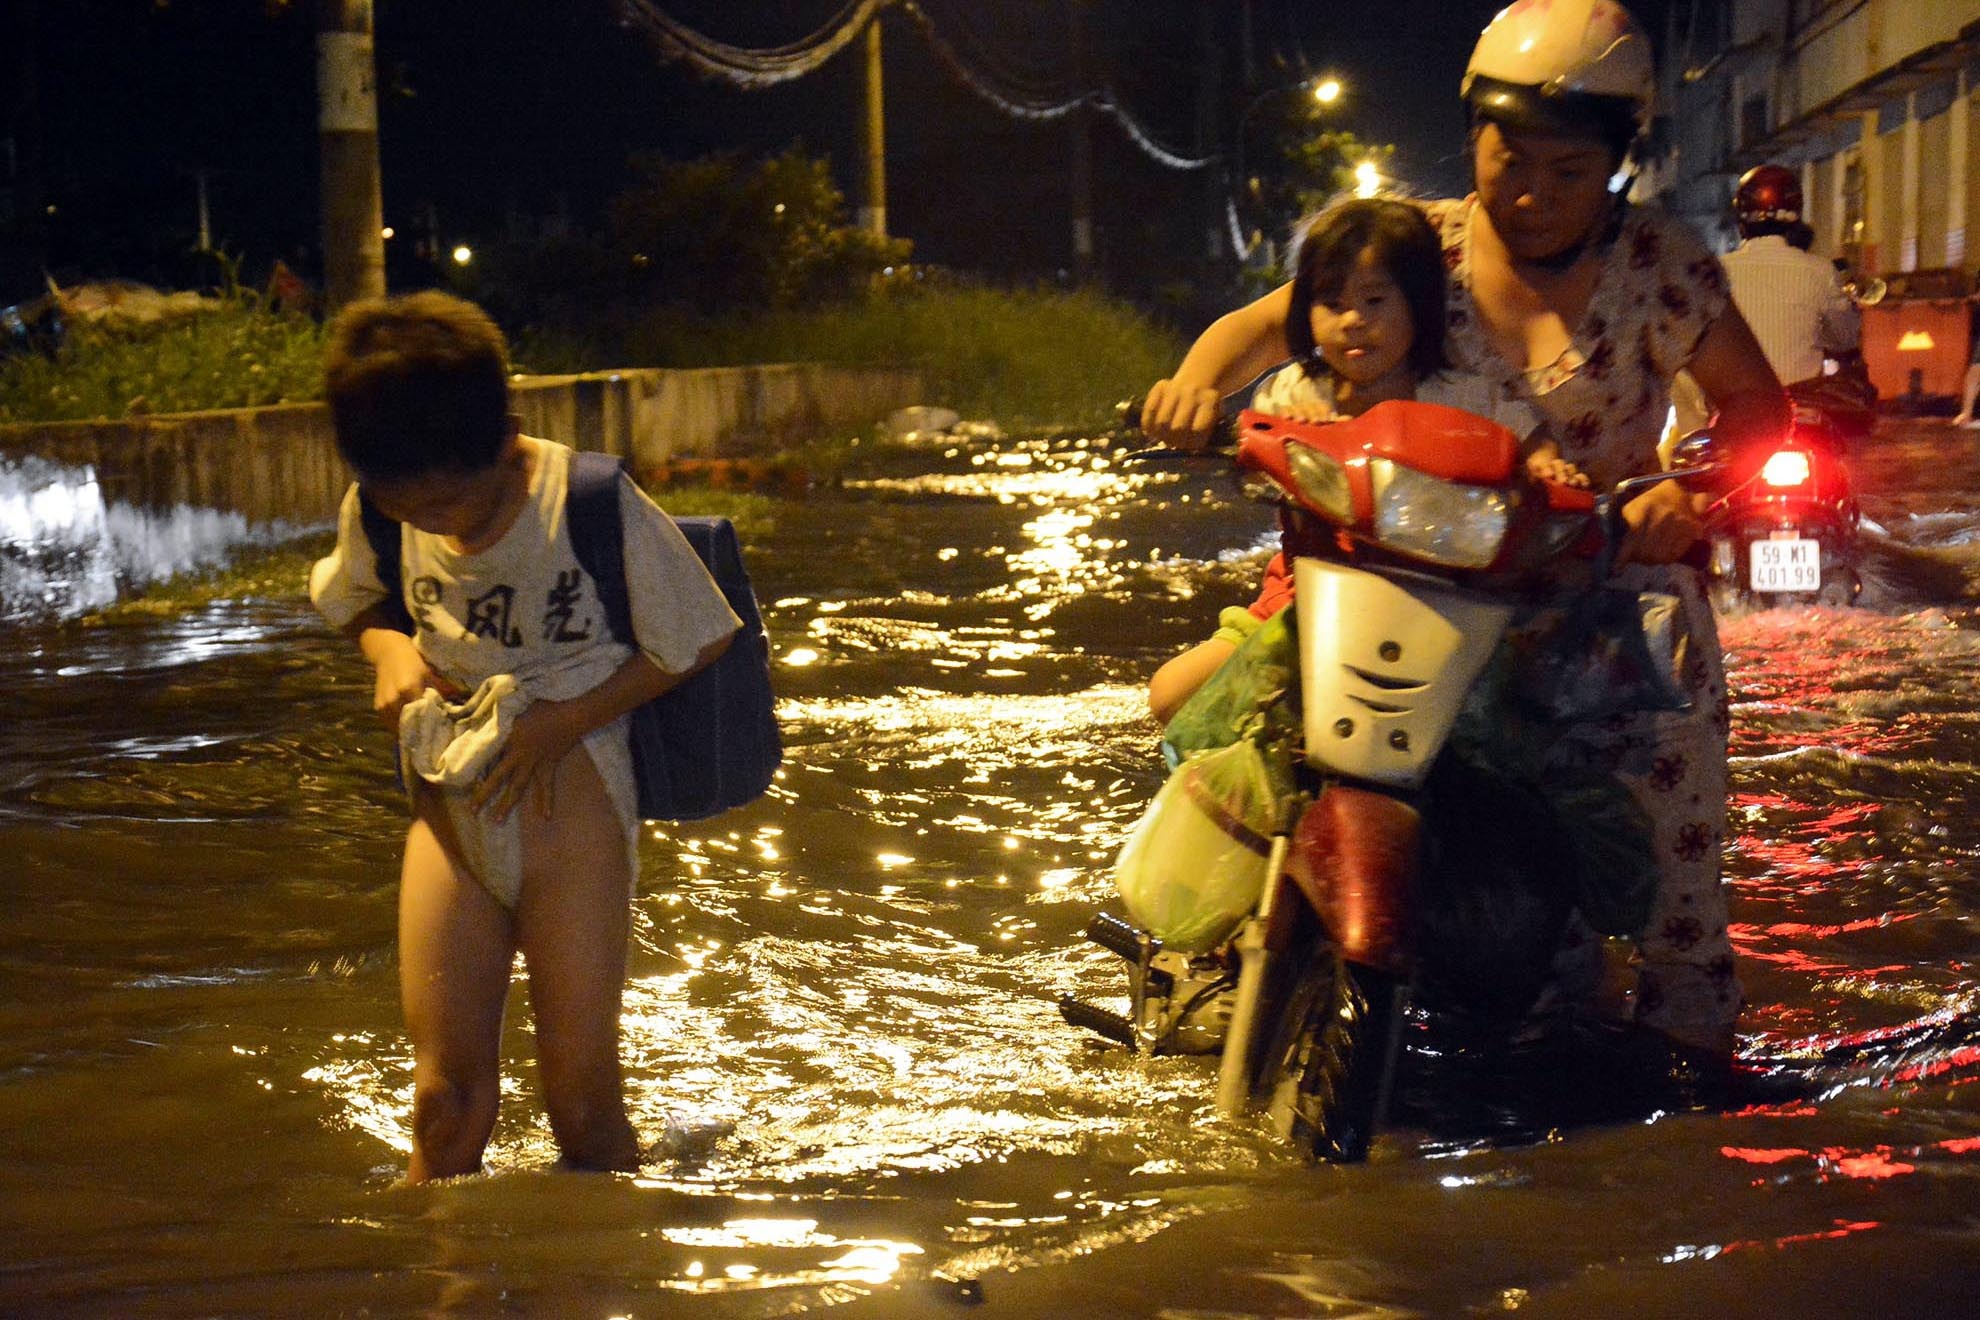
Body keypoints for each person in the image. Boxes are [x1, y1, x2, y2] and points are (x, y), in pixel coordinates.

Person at [1141, 0, 1787, 1076]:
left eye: (1568, 171)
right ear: (1472, 137)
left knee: (1663, 814)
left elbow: (1757, 415)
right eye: (1508, 157)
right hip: (1417, 583)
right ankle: (1232, 948)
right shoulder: (1413, 246)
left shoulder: (1664, 266)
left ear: (1621, 163)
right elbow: (1259, 330)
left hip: (1595, 587)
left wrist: (1693, 496)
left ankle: (1683, 1037)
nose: (1530, 193)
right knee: (1254, 726)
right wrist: (1193, 386)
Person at [308, 291, 741, 1182]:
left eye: (453, 501)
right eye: (408, 507)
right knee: (441, 1107)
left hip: (570, 822)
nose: (436, 524)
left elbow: (701, 633)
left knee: (581, 1113)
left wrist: (565, 722)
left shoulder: (586, 503)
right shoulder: (383, 503)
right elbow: (354, 597)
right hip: (448, 812)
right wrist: (388, 647)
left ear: (506, 439)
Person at [1147, 195, 1581, 723]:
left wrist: (1548, 468)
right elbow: (1252, 452)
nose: (1353, 320)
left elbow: (1530, 442)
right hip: (1304, 598)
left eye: (1375, 301)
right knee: (1173, 693)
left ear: (1418, 305)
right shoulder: (1292, 393)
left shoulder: (1464, 395)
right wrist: (1284, 434)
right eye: (1332, 302)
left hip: (1445, 605)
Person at [1717, 164, 1862, 401]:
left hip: (1734, 407)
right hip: (1801, 405)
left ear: (1741, 219)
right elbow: (1845, 337)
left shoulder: (1717, 272)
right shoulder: (1820, 270)